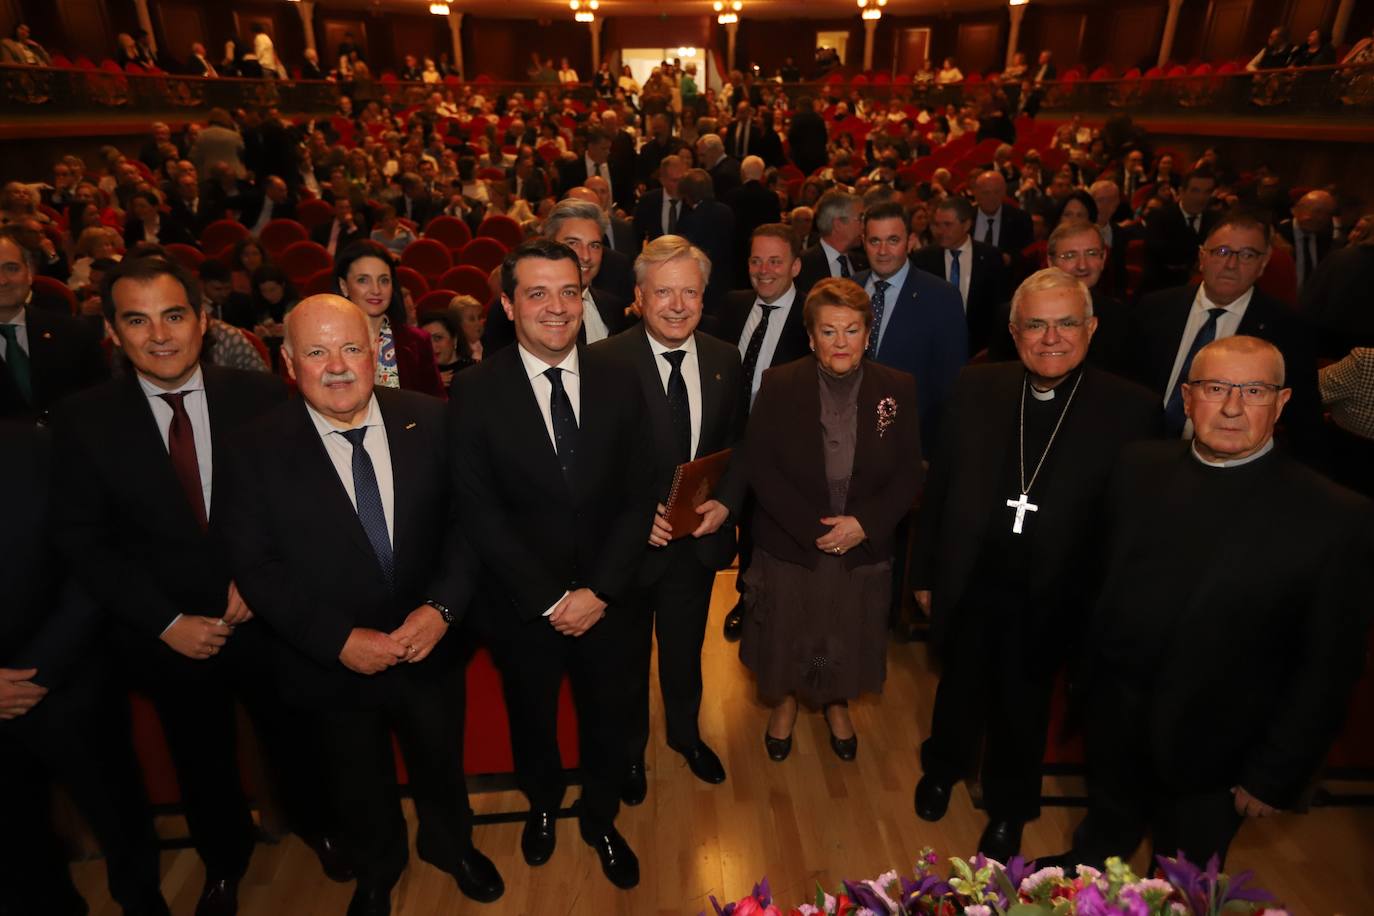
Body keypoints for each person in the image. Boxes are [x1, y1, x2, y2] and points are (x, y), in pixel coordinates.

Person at [50, 256, 347, 916]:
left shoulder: (262, 396)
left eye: (175, 315)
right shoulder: (81, 421)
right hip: (167, 633)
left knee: (296, 735)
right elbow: (83, 542)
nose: (160, 334)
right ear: (112, 331)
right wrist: (165, 622)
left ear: (204, 321)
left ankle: (319, 826)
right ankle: (224, 861)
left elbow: (303, 505)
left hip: (269, 617)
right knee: (199, 757)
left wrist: (260, 581)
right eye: (138, 319)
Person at [222, 295, 503, 913]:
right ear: (289, 362)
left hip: (429, 644)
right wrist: (338, 641)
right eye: (317, 352)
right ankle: (378, 866)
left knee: (440, 760)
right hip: (328, 661)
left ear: (376, 353)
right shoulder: (251, 449)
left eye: (351, 348)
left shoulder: (432, 419)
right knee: (354, 777)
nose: (338, 366)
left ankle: (450, 846)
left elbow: (468, 526)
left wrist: (442, 611)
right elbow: (256, 567)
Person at [1058, 335, 1372, 871]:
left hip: (1216, 759)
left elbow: (1327, 668)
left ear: (1283, 402)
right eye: (1215, 387)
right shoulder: (1137, 466)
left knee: (1181, 888)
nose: (1231, 407)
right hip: (1114, 727)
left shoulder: (1334, 517)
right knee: (1097, 849)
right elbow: (1097, 580)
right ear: (1187, 397)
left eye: (1253, 390)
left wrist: (1274, 772)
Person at [912, 268, 1160, 862]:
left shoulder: (1133, 410)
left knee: (1023, 708)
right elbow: (939, 487)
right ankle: (943, 767)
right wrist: (922, 573)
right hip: (973, 577)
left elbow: (1131, 525)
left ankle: (1008, 809)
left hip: (1056, 593)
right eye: (1036, 324)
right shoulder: (977, 387)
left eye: (1066, 322)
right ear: (1014, 331)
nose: (1051, 338)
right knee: (958, 687)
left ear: (1091, 328)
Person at [451, 239, 655, 890]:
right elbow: (479, 514)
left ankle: (599, 818)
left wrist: (597, 590)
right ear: (509, 305)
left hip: (609, 599)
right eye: (537, 293)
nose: (557, 306)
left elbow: (639, 495)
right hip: (522, 609)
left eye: (570, 291)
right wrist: (549, 599)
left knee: (607, 718)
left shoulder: (622, 377)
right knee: (532, 718)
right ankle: (541, 806)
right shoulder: (475, 391)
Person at [740, 277, 922, 763]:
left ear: (868, 332)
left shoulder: (896, 388)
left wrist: (864, 524)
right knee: (791, 631)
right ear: (811, 335)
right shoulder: (779, 384)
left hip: (862, 543)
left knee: (839, 633)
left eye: (851, 330)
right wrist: (816, 531)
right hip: (793, 542)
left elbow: (909, 473)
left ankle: (833, 700)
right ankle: (787, 702)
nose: (840, 342)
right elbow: (760, 465)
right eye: (828, 331)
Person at [592, 235, 746, 805]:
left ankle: (686, 736)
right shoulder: (603, 362)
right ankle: (631, 754)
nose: (678, 304)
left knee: (685, 653)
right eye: (664, 292)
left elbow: (739, 445)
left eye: (690, 292)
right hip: (628, 553)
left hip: (696, 546)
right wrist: (630, 521)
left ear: (705, 297)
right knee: (628, 660)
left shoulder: (725, 358)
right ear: (639, 296)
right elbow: (589, 466)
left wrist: (727, 502)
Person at [0, 422, 168, 916]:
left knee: (118, 815)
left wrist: (42, 668)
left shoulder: (38, 448)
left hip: (69, 678)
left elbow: (93, 561)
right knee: (14, 847)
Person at [1129, 211, 1321, 455]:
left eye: (1247, 255)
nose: (1231, 264)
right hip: (1145, 449)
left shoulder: (1288, 329)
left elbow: (1304, 420)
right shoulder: (1154, 308)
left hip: (1229, 461)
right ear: (1202, 257)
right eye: (1221, 252)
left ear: (1263, 264)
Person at [855, 201, 967, 448]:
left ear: (911, 240)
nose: (883, 250)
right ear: (863, 241)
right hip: (848, 437)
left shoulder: (942, 296)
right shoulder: (849, 289)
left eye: (893, 240)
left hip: (910, 441)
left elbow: (950, 385)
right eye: (875, 241)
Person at [481, 198, 629, 354]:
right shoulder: (510, 310)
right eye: (573, 243)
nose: (586, 256)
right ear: (549, 243)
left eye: (594, 245)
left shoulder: (614, 308)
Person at [0, 228, 108, 422]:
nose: (2, 280)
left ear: (30, 274)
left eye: (12, 268)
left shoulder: (75, 333)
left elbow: (102, 406)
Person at [333, 241, 447, 398]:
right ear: (344, 286)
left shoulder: (417, 341)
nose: (376, 290)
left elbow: (436, 403)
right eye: (363, 280)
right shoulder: (328, 341)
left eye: (384, 280)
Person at [911, 195, 1010, 357]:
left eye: (947, 225)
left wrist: (993, 347)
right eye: (937, 225)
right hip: (934, 349)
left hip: (979, 351)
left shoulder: (990, 257)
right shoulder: (922, 259)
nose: (940, 231)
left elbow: (999, 305)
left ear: (966, 225)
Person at [1143, 166, 1218, 293]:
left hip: (1207, 289)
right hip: (1163, 288)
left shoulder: (1217, 221)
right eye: (1195, 191)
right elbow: (1162, 257)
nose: (1201, 197)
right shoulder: (1159, 217)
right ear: (1181, 191)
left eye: (1207, 192)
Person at [724, 155, 782, 288]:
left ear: (742, 173)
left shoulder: (731, 196)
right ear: (762, 175)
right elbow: (775, 227)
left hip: (737, 254)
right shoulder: (771, 197)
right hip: (764, 251)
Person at [1278, 189, 1341, 293]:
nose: (1320, 218)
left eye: (1327, 214)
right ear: (1297, 209)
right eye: (1317, 211)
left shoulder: (1324, 239)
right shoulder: (1279, 234)